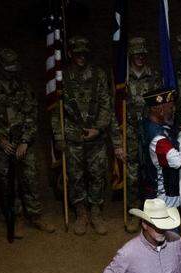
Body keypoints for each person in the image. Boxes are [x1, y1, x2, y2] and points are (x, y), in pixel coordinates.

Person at [0, 48, 56, 236]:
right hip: (3, 143)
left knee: (30, 178)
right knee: (7, 182)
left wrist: (26, 142)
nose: (11, 71)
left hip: (22, 141)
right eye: (8, 67)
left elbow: (31, 114)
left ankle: (35, 215)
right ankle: (17, 217)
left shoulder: (23, 87)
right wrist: (0, 139)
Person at [54, 36, 112, 236]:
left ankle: (95, 211)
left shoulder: (99, 75)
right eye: (77, 54)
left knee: (97, 175)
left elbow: (107, 105)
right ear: (70, 54)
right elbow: (56, 111)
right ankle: (81, 212)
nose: (81, 57)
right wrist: (59, 136)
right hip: (73, 136)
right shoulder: (63, 78)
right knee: (75, 176)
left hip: (96, 136)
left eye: (84, 54)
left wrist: (98, 128)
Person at [112, 37, 163, 233]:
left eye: (143, 53)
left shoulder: (154, 76)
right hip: (130, 134)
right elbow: (114, 113)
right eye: (136, 53)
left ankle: (151, 214)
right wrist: (118, 143)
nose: (140, 57)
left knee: (152, 174)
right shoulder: (122, 80)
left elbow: (161, 105)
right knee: (132, 177)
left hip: (150, 132)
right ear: (131, 55)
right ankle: (134, 214)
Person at [140, 89, 181, 208]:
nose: (172, 111)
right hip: (163, 199)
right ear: (158, 109)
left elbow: (168, 131)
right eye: (169, 108)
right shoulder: (158, 138)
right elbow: (179, 161)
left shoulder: (149, 123)